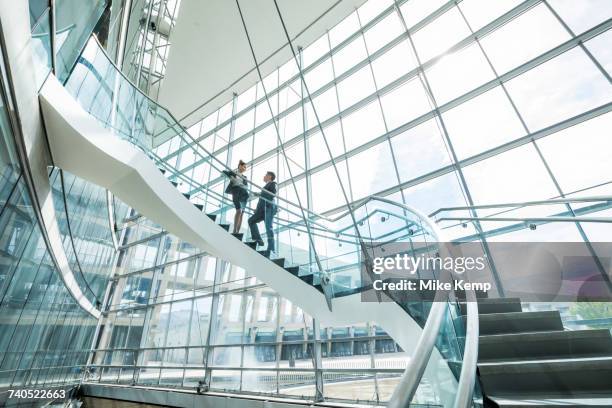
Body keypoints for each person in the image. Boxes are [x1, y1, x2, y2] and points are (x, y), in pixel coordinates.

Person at [248, 171, 277, 252]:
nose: (264, 176)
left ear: (269, 176)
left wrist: (260, 194)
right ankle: (259, 240)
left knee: (268, 228)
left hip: (268, 208)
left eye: (265, 175)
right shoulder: (265, 186)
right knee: (251, 221)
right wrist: (257, 209)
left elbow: (272, 195)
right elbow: (262, 199)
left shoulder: (273, 184)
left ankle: (271, 249)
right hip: (261, 210)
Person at [223, 160, 249, 234]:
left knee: (242, 213)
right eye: (244, 166)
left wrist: (242, 185)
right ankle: (234, 230)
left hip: (244, 194)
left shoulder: (245, 177)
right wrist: (232, 178)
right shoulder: (233, 173)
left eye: (245, 167)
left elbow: (246, 186)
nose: (245, 168)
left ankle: (237, 231)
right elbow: (224, 172)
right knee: (238, 210)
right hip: (236, 192)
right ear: (239, 166)